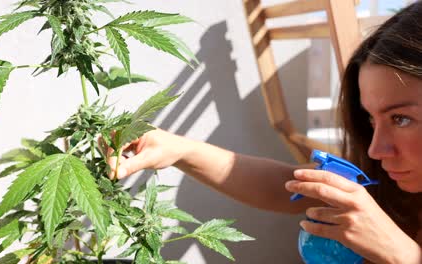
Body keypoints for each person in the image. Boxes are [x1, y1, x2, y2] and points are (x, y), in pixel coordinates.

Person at [105, 2, 422, 263]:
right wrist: (179, 149)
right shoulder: (391, 185)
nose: (375, 150)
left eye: (401, 119)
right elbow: (287, 187)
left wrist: (403, 256)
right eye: (369, 119)